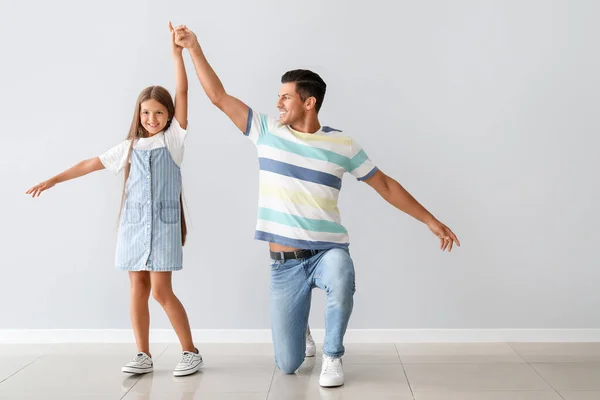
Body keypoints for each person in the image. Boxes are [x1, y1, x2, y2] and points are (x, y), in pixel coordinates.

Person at [172, 24, 460, 387]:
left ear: (309, 102)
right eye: (278, 97)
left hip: (327, 251)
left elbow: (384, 184)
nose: (277, 103)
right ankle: (302, 328)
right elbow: (217, 96)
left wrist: (430, 221)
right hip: (284, 265)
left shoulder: (343, 144)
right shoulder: (266, 131)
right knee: (288, 364)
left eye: (285, 97)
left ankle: (333, 356)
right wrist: (193, 47)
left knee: (342, 276)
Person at [25, 23, 204, 377]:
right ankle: (143, 354)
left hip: (164, 226)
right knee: (137, 288)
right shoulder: (129, 147)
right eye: (145, 113)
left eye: (158, 112)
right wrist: (54, 180)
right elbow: (90, 163)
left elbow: (182, 90)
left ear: (169, 115)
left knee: (161, 292)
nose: (151, 119)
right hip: (134, 227)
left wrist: (177, 53)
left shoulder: (174, 141)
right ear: (138, 115)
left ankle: (190, 351)